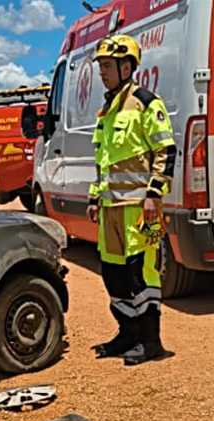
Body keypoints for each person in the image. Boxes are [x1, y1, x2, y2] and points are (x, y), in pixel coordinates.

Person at [86, 35, 176, 366]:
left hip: (140, 208)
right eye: (101, 67)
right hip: (111, 210)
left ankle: (150, 342)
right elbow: (104, 161)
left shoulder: (146, 102)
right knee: (114, 275)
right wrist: (95, 197)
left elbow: (166, 151)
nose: (102, 73)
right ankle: (128, 334)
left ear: (127, 67)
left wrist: (154, 195)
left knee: (142, 276)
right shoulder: (107, 110)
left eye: (107, 66)